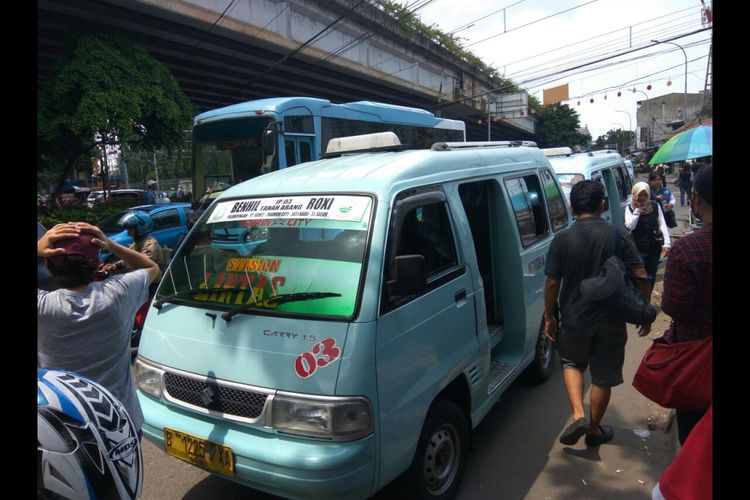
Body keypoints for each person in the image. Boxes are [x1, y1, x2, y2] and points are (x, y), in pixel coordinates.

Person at [544, 180, 651, 447]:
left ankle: (578, 413)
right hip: (611, 320)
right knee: (603, 376)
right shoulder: (617, 235)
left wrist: (549, 317)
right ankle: (593, 429)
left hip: (573, 316)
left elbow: (552, 283)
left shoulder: (562, 239)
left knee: (571, 363)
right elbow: (640, 275)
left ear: (571, 207)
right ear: (602, 204)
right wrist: (643, 309)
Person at [37, 222, 160, 437]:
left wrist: (38, 247)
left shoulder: (43, 307)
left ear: (47, 263)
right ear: (96, 264)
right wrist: (110, 244)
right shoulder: (116, 294)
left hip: (64, 429)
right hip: (120, 424)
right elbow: (152, 268)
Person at [660, 164, 712, 445]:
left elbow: (673, 305)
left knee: (695, 445)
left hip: (696, 363)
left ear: (697, 199)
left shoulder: (689, 249)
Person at [624, 182, 671, 296]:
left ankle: (647, 300)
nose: (643, 198)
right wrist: (638, 210)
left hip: (653, 247)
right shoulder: (629, 208)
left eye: (645, 195)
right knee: (639, 277)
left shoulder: (654, 206)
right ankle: (640, 300)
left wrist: (667, 243)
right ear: (635, 194)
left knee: (651, 275)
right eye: (640, 195)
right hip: (637, 249)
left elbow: (662, 224)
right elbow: (630, 226)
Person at [104, 211, 164, 294]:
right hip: (141, 280)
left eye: (130, 229)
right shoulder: (136, 243)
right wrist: (114, 266)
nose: (128, 232)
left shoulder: (150, 243)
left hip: (152, 282)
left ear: (141, 227)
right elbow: (129, 258)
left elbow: (141, 263)